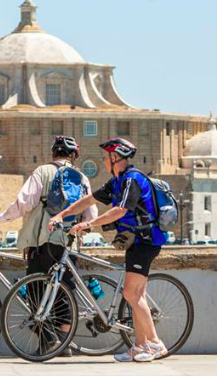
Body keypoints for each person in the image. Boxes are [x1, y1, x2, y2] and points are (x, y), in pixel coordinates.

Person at [49, 138, 169, 362]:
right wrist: (61, 215)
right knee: (136, 295)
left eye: (106, 157)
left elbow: (121, 210)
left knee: (131, 294)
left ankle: (155, 343)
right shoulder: (117, 181)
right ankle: (139, 345)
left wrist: (88, 224)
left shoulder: (131, 180)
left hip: (145, 241)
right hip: (136, 242)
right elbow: (88, 200)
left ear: (115, 158)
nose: (104, 161)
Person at [0, 136, 97, 356]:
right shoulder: (82, 177)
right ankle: (63, 344)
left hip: (41, 242)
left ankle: (49, 340)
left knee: (36, 291)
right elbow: (90, 214)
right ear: (73, 156)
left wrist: (0, 218)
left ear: (53, 154)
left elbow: (24, 202)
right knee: (65, 293)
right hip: (67, 244)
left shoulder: (42, 172)